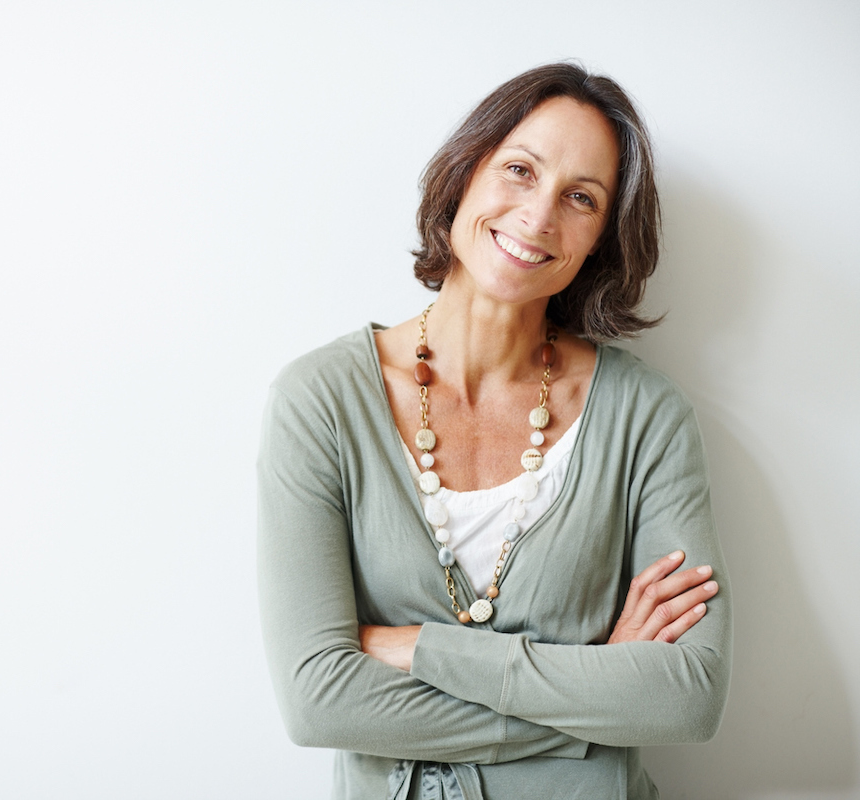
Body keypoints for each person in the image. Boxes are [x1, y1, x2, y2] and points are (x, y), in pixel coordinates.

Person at [256, 62, 731, 800]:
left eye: (581, 197)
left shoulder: (647, 418)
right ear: (464, 175)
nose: (540, 216)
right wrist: (596, 694)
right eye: (519, 170)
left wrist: (417, 649)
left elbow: (686, 697)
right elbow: (318, 700)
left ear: (602, 239)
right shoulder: (321, 400)